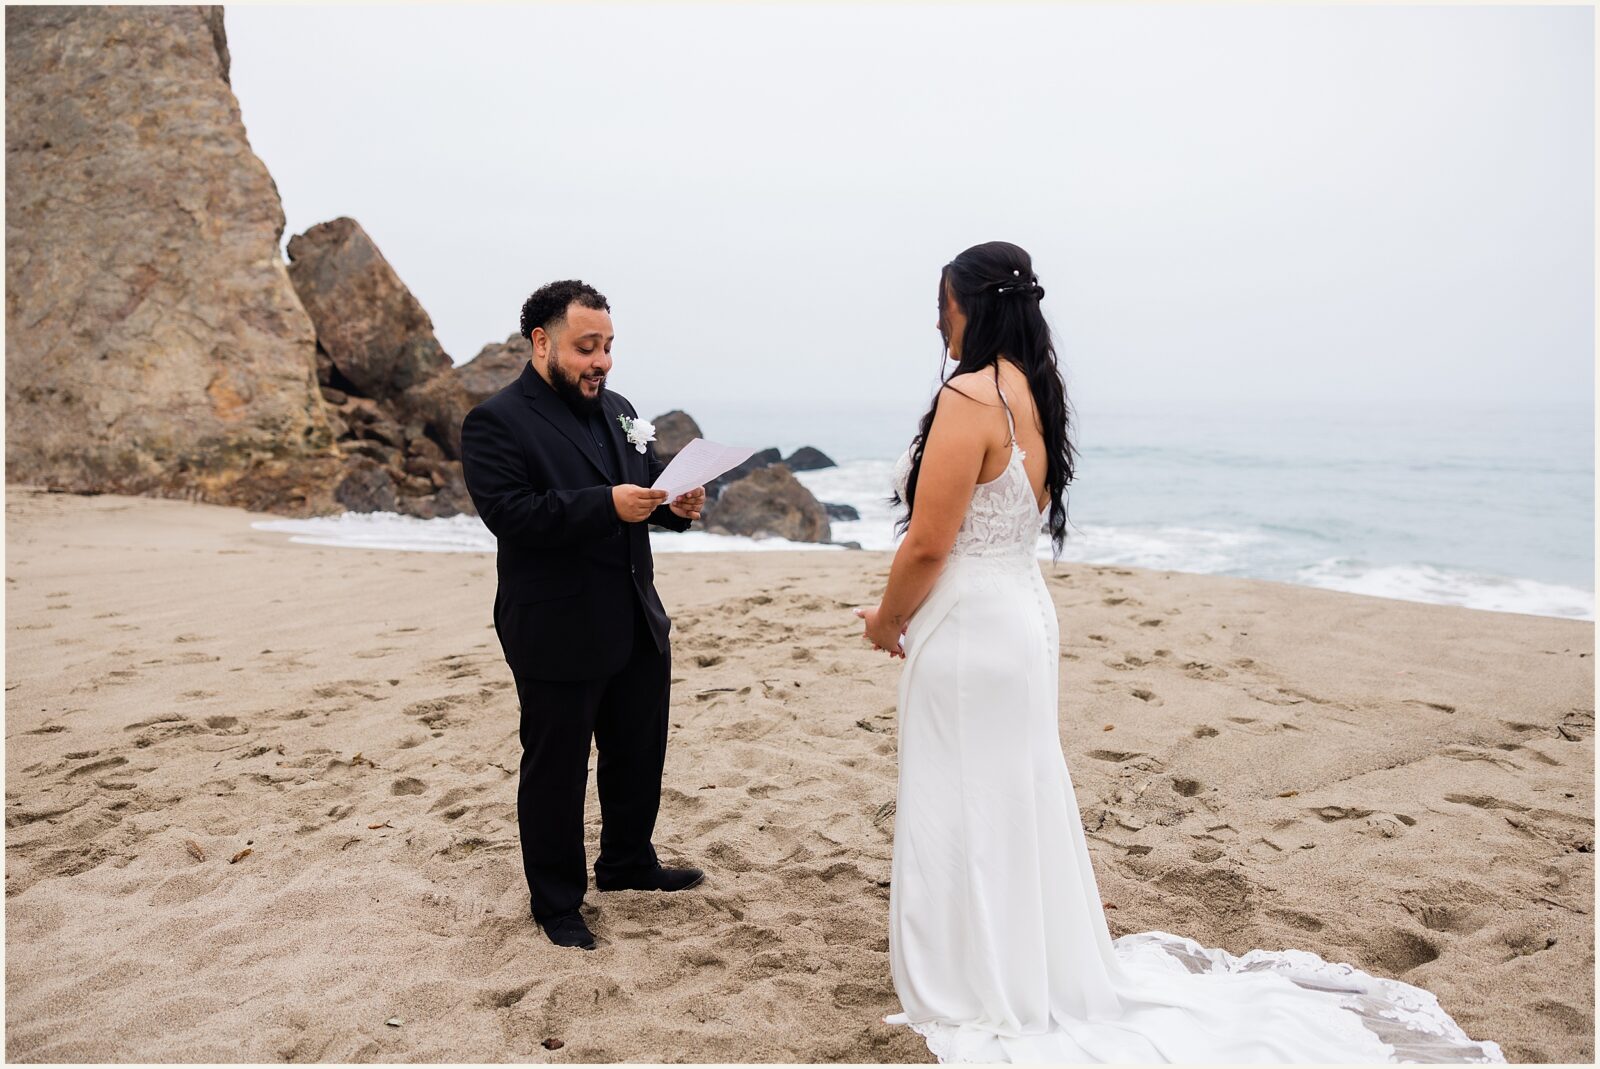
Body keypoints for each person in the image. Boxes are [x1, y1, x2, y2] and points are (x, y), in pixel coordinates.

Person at [855, 242, 1503, 1062]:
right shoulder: (1034, 392)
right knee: (1013, 792)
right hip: (1022, 615)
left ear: (973, 306)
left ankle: (980, 977)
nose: (934, 317)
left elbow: (927, 543)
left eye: (941, 300)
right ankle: (1021, 963)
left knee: (966, 796)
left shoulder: (970, 395)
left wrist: (885, 619)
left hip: (973, 626)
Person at [461, 279, 706, 951]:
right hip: (555, 625)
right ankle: (558, 901)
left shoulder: (620, 409)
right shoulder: (497, 421)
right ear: (542, 343)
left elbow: (642, 497)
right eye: (585, 347)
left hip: (633, 616)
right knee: (557, 769)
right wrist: (606, 504)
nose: (600, 361)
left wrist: (674, 511)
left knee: (636, 754)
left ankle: (629, 863)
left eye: (607, 347)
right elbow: (510, 513)